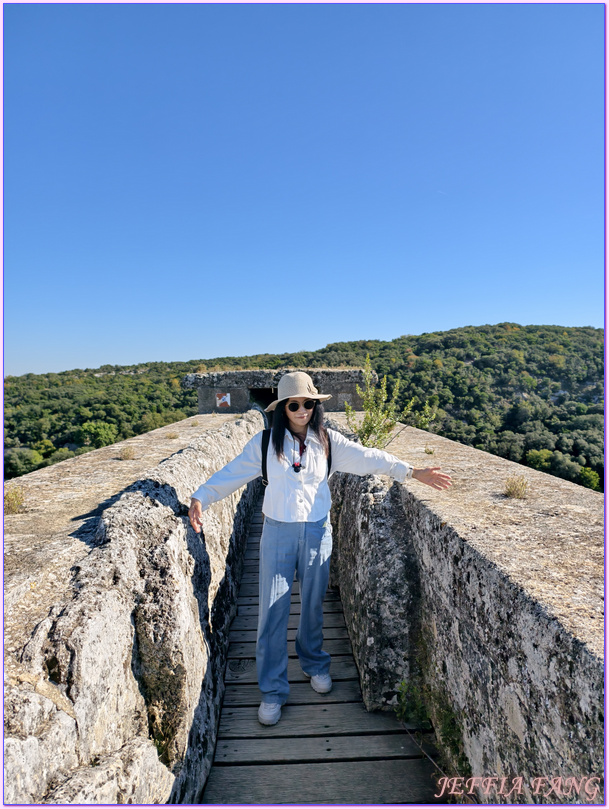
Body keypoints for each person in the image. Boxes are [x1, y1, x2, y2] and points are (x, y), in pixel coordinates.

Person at [188, 371, 452, 726]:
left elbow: (368, 457)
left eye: (308, 404)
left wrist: (411, 471)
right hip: (277, 531)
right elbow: (232, 473)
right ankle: (272, 689)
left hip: (316, 531)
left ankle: (314, 663)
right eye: (294, 404)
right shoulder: (265, 443)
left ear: (315, 405)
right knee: (272, 610)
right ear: (282, 408)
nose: (302, 410)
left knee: (312, 605)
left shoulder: (329, 442)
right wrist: (201, 497)